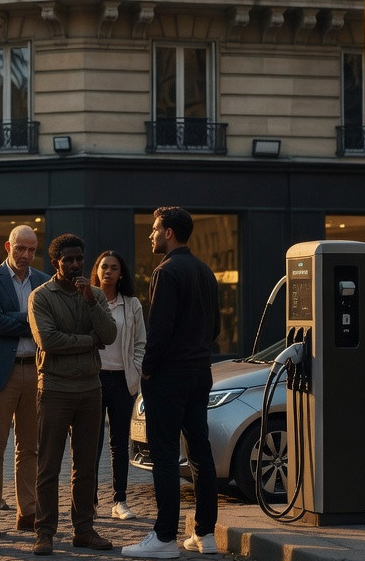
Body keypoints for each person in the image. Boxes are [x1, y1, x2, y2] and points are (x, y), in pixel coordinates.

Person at [123, 207, 221, 559]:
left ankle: (164, 537)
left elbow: (159, 332)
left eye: (154, 229)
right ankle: (205, 535)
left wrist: (147, 371)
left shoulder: (166, 271)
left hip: (169, 375)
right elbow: (215, 330)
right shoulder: (205, 271)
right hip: (200, 371)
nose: (150, 234)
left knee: (164, 455)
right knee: (200, 451)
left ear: (168, 233)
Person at [27, 234, 117, 556]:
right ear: (56, 263)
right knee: (49, 466)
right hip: (54, 388)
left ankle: (84, 529)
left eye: (80, 258)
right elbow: (48, 341)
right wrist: (88, 341)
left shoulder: (94, 295)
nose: (76, 264)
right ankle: (45, 532)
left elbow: (109, 334)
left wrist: (91, 303)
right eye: (69, 260)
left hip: (91, 389)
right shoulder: (41, 296)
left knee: (86, 466)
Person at [0, 225, 49, 538]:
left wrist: (17, 319)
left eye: (32, 250)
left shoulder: (44, 281)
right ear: (8, 246)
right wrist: (31, 320)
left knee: (30, 448)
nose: (26, 256)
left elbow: (48, 324)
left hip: (35, 369)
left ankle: (27, 512)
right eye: (20, 249)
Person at [91, 251, 147, 521]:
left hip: (122, 380)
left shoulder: (132, 304)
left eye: (114, 267)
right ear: (97, 270)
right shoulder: (88, 298)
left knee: (119, 443)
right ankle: (88, 500)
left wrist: (135, 370)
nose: (109, 272)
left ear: (121, 273)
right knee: (91, 442)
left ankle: (119, 500)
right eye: (104, 267)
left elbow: (140, 342)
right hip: (93, 378)